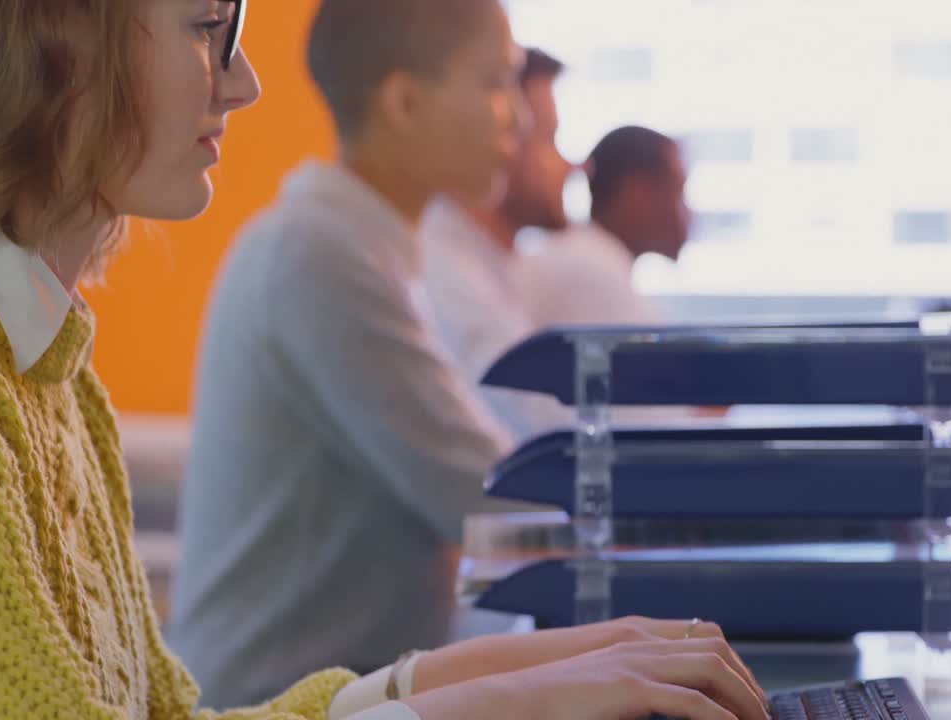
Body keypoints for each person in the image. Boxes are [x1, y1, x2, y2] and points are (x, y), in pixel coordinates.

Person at [0, 1, 765, 719]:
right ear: (49, 32)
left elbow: (169, 715)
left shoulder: (35, 357)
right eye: (211, 26)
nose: (243, 81)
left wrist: (514, 678)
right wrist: (492, 702)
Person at [171, 1, 764, 718]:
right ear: (405, 103)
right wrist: (736, 522)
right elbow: (489, 499)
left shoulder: (378, 248)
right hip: (272, 704)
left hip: (358, 688)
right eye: (495, 82)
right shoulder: (321, 255)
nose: (519, 118)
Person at [420, 48, 575, 442]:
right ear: (502, 137)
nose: (569, 166)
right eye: (549, 139)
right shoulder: (447, 277)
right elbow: (548, 434)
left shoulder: (492, 268)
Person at [520, 125, 691, 330]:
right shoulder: (590, 269)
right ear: (636, 193)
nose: (688, 213)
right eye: (677, 191)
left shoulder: (592, 256)